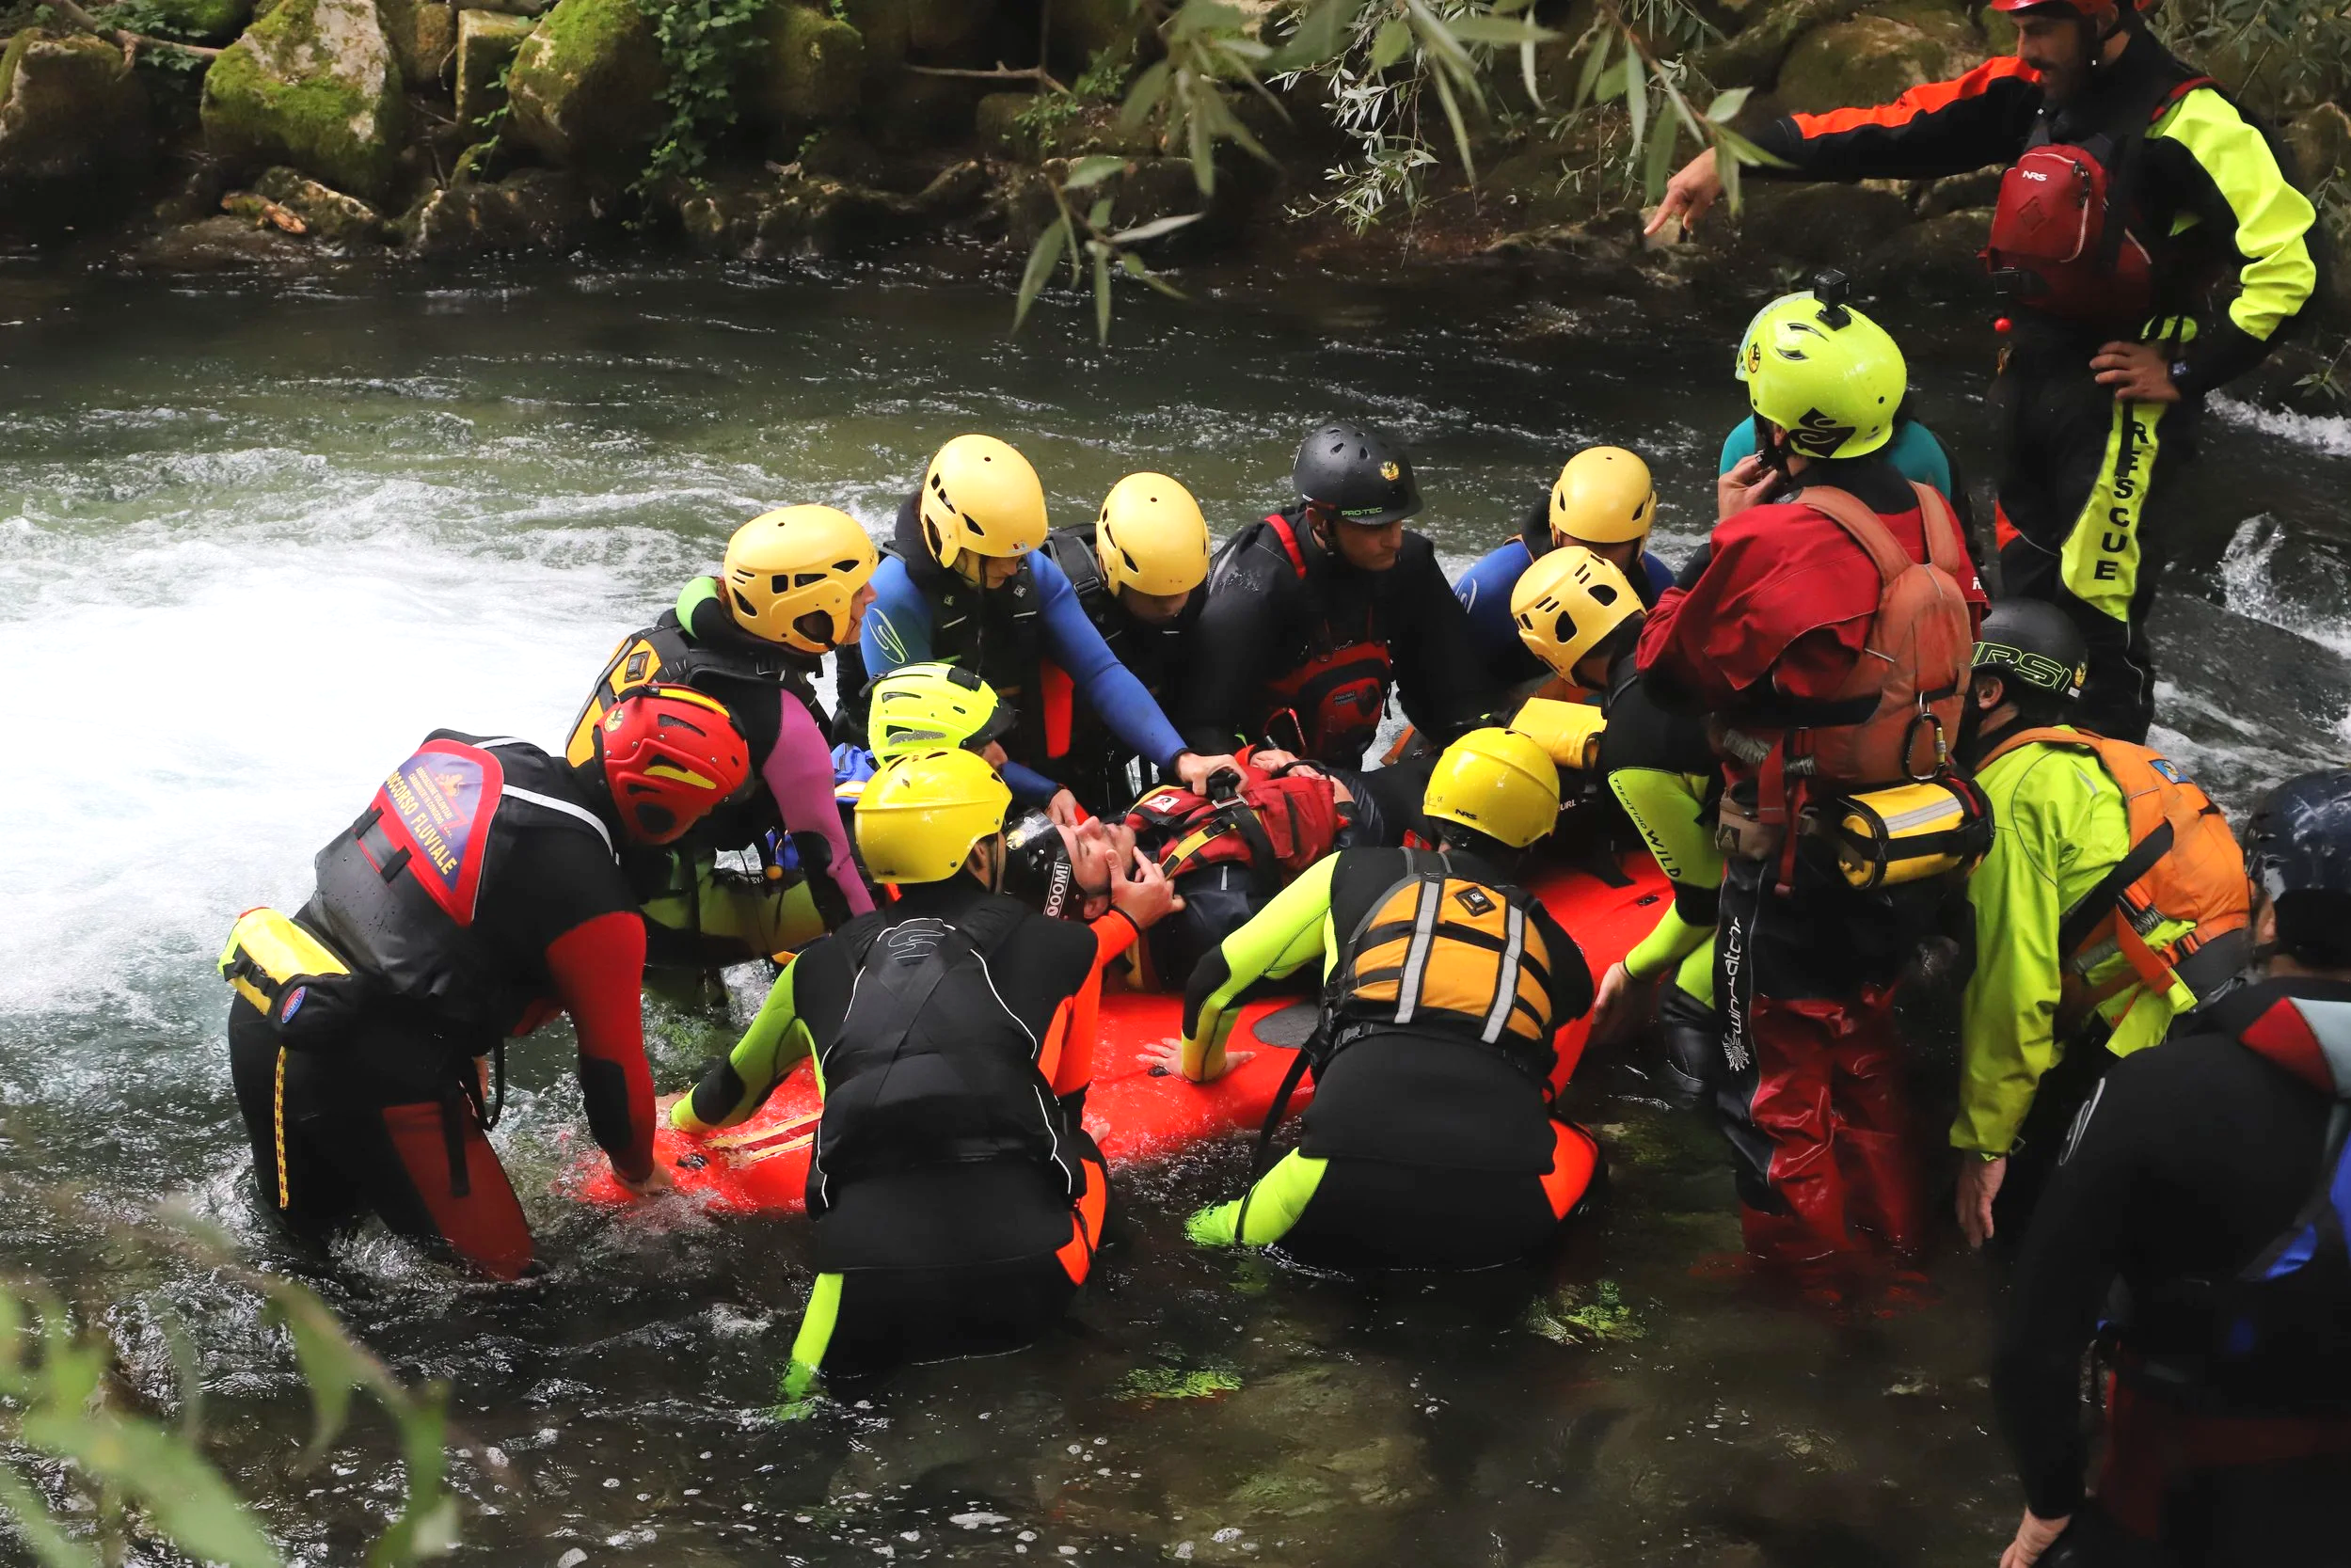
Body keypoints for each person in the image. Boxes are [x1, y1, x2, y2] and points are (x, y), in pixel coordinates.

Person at [1649, 0, 2318, 744]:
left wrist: (2187, 368)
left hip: (2123, 408)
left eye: (2040, 29)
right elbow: (1888, 130)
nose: (2023, 47)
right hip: (2030, 379)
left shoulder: (2194, 121)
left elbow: (2292, 267)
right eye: (2017, 29)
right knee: (2017, 603)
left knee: (2095, 613)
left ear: (2102, 20)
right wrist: (1736, 154)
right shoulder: (2028, 90)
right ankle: (2012, 767)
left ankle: (2113, 791)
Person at [1638, 287, 1986, 1264]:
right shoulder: (1934, 515)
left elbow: (1669, 671)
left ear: (1781, 427)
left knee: (1765, 1083)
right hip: (1909, 849)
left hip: (1791, 866)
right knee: (1866, 1052)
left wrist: (1722, 529)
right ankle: (1896, 1263)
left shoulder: (1772, 540)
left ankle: (1810, 1300)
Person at [669, 749, 1179, 1390]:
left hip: (859, 1286)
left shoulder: (811, 969)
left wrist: (677, 1120)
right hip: (1033, 1269)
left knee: (797, 1422)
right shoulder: (1070, 948)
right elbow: (1067, 1109)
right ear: (977, 853)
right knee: (1081, 1149)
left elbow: (725, 1099)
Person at [218, 687, 752, 1279]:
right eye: (704, 810)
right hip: (373, 1076)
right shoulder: (600, 911)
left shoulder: (471, 750)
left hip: (277, 997)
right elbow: (611, 1076)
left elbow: (420, 895)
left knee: (303, 1252)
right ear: (664, 807)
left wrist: (461, 1039)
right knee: (508, 1289)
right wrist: (641, 1176)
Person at [1992, 768, 2351, 1568]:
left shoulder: (2158, 1088)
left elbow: (2032, 1347)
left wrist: (2050, 1504)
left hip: (2166, 1513)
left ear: (2267, 917)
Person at [1150, 728, 1601, 1270]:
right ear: (1537, 839)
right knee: (1583, 1148)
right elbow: (1546, 1090)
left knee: (1201, 1239)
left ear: (1431, 813)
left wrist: (1200, 1067)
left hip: (1331, 1177)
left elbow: (1214, 978)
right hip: (1500, 1214)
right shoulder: (1563, 957)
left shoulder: (1352, 871)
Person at [1953, 599, 2249, 1253]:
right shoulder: (2110, 758)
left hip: (2138, 1041)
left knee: (2017, 1236)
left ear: (1987, 690)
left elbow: (2013, 990)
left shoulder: (2009, 794)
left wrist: (1984, 1147)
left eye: (1949, 685)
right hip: (2220, 1004)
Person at [853, 434, 1235, 821]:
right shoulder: (892, 598)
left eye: (1021, 552)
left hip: (1015, 765)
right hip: (925, 780)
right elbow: (924, 738)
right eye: (999, 556)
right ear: (950, 537)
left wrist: (1182, 758)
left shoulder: (1030, 572)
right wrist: (1043, 792)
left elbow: (1101, 672)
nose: (1014, 566)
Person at [566, 506, 878, 971]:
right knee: (875, 874)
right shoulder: (781, 721)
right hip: (664, 921)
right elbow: (830, 869)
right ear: (806, 608)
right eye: (855, 591)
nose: (871, 596)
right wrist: (882, 957)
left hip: (589, 883)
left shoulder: (660, 638)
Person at [1514, 547, 1727, 1112]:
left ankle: (1693, 1149)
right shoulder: (1691, 629)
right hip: (1855, 822)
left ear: (1556, 658)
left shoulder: (1630, 746)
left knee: (1686, 1000)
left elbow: (1709, 898)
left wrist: (1633, 972)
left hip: (1801, 885)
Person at [1180, 421, 1496, 768]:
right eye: (1375, 527)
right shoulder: (1256, 586)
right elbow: (1200, 727)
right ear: (1319, 521)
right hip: (1271, 782)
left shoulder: (1409, 565)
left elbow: (1454, 697)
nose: (1395, 540)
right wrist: (1260, 764)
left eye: (1398, 522)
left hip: (1346, 774)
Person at [1039, 472, 1215, 813]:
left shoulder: (1196, 582)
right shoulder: (1062, 592)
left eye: (1180, 592)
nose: (1170, 605)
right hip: (1065, 762)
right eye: (1152, 596)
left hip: (1146, 745)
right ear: (1111, 570)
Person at [1453, 447, 1674, 692]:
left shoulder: (1658, 587)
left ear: (1640, 541)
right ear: (1555, 530)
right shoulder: (1491, 589)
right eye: (1580, 542)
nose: (1590, 558)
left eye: (1609, 546)